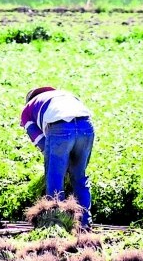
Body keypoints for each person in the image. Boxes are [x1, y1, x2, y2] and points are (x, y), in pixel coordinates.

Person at [21, 87, 94, 227]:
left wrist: (59, 164)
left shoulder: (27, 110)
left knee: (54, 177)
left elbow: (41, 142)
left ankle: (56, 224)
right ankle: (85, 224)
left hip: (60, 127)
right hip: (87, 127)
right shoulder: (66, 94)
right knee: (79, 176)